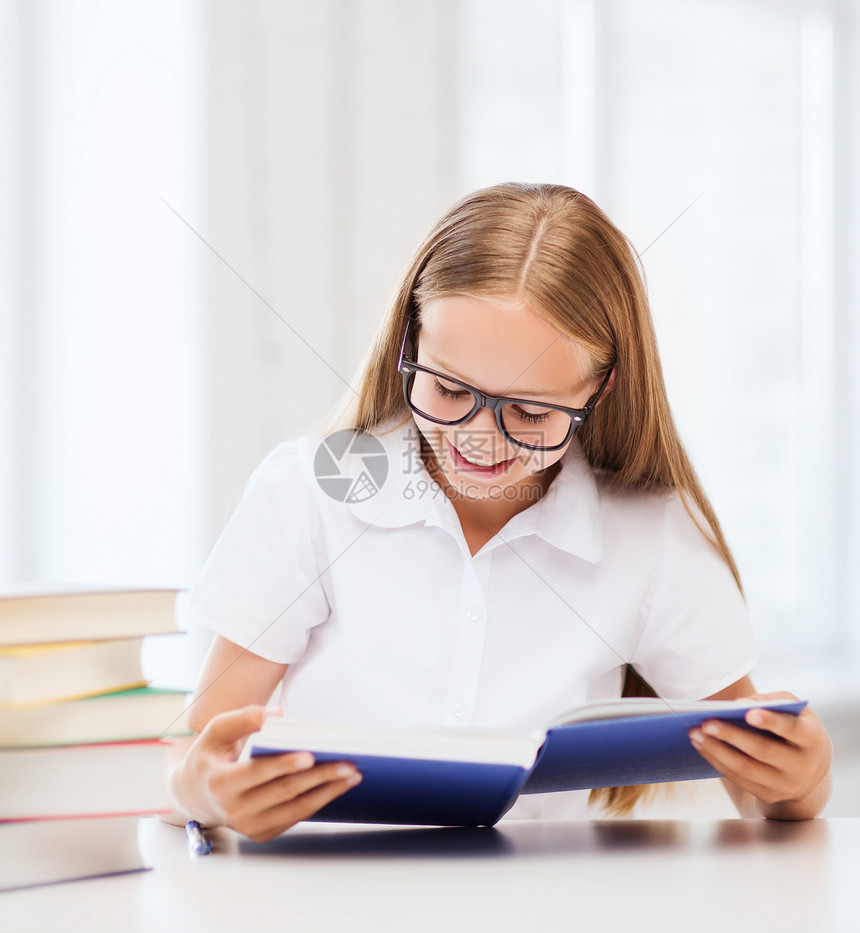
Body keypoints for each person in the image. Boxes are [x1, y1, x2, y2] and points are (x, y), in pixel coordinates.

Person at [167, 183, 832, 842]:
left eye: (531, 412)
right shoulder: (310, 494)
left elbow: (758, 783)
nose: (479, 437)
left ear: (602, 388)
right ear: (410, 341)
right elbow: (193, 757)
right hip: (330, 896)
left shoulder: (651, 534)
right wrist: (205, 791)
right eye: (450, 388)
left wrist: (800, 781)